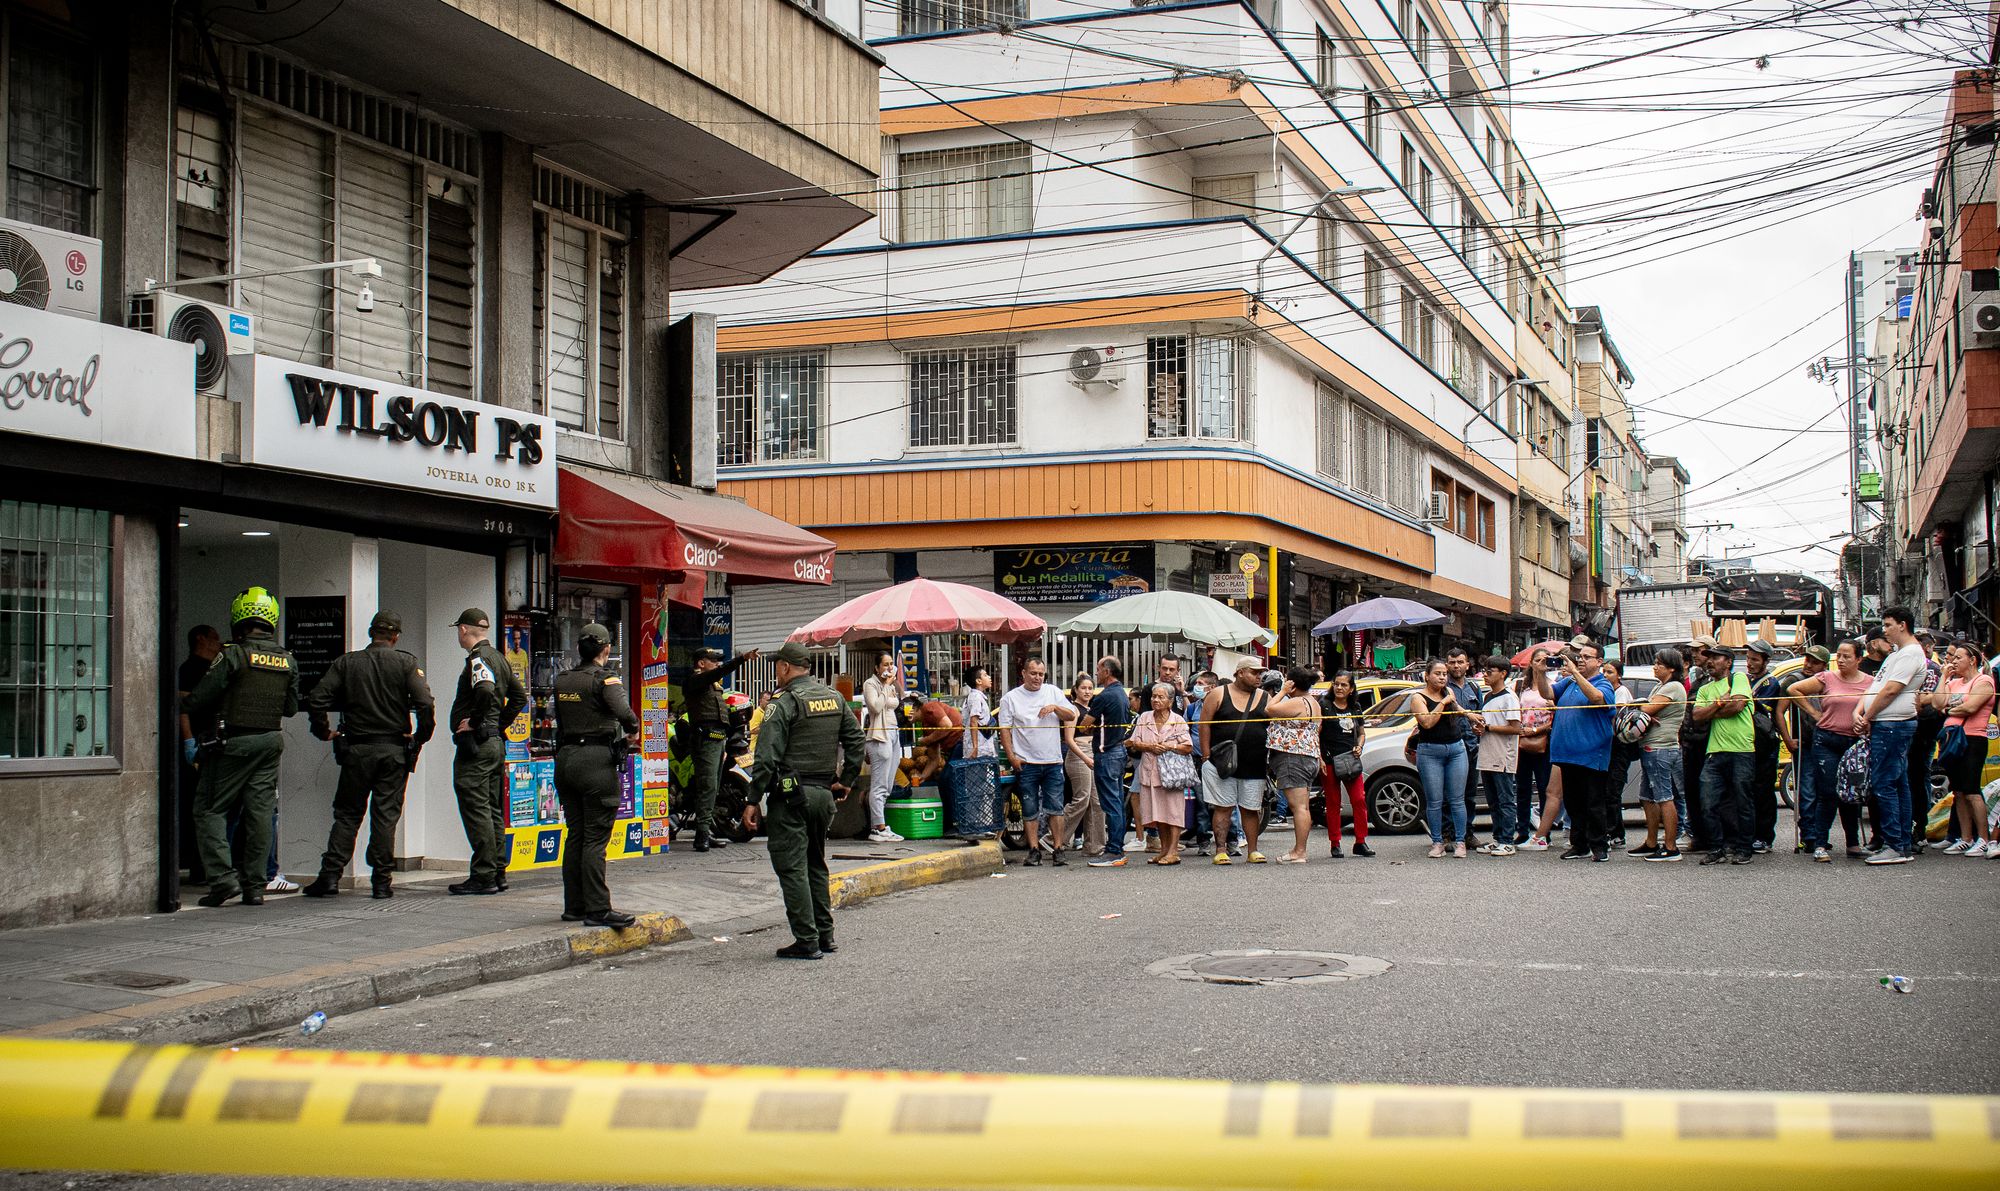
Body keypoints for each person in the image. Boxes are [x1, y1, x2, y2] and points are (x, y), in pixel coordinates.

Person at [300, 611, 436, 899]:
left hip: (357, 750)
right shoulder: (406, 663)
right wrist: (420, 737)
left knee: (348, 814)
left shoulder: (347, 663)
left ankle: (330, 876)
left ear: (371, 632)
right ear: (396, 636)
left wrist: (323, 732)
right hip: (394, 750)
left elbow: (317, 699)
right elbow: (425, 703)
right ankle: (381, 881)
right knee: (385, 816)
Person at [743, 642, 866, 959]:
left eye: (777, 667)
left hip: (790, 797)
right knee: (815, 863)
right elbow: (856, 740)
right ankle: (826, 936)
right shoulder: (834, 697)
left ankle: (807, 940)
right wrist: (847, 780)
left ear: (785, 667)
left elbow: (766, 756)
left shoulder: (784, 702)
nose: (776, 672)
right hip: (824, 794)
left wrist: (753, 799)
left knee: (791, 866)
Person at [182, 587, 300, 908]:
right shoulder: (286, 658)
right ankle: (255, 887)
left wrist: (182, 701)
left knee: (208, 809)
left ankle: (222, 881)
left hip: (232, 742)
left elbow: (201, 697)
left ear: (239, 616)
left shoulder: (233, 654)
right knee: (261, 813)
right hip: (269, 742)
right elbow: (290, 707)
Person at [551, 623, 642, 928]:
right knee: (594, 839)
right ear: (606, 650)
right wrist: (632, 732)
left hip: (565, 761)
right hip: (595, 763)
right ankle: (598, 909)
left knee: (575, 834)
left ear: (579, 649)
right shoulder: (605, 679)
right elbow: (626, 715)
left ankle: (574, 906)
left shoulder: (563, 679)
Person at [445, 608, 528, 896]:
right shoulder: (500, 659)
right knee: (492, 809)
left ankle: (483, 875)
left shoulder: (479, 659)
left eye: (458, 629)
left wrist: (477, 722)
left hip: (478, 747)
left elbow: (484, 689)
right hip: (493, 744)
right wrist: (498, 725)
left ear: (463, 630)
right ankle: (497, 871)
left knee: (476, 807)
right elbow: (519, 697)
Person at [1532, 639, 1617, 862]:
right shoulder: (1569, 682)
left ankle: (1599, 846)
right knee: (1573, 803)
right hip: (1567, 754)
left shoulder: (1603, 683)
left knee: (1594, 803)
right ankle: (1579, 845)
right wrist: (1539, 673)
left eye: (1586, 657)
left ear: (1599, 661)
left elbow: (1598, 699)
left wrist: (1576, 674)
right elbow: (1547, 693)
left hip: (1591, 754)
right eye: (1580, 657)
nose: (1581, 660)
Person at [1787, 640, 1872, 861]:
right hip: (1826, 740)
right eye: (1839, 656)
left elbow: (1878, 706)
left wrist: (1866, 722)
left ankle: (1853, 843)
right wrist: (1815, 714)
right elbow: (1793, 689)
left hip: (1854, 743)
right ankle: (1820, 844)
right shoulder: (1827, 678)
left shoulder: (1871, 683)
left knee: (1850, 794)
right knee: (1828, 793)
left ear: (1859, 659)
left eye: (1847, 656)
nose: (1842, 660)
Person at [1854, 607, 1926, 865]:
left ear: (1902, 625)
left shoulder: (1910, 654)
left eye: (1887, 625)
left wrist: (1868, 716)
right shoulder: (1898, 654)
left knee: (1885, 784)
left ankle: (1895, 844)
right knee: (1897, 784)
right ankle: (1901, 843)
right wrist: (1859, 710)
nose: (1884, 630)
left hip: (1893, 724)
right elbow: (1877, 686)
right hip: (1887, 723)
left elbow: (1891, 690)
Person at [997, 658, 1077, 866]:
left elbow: (1071, 714)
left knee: (1055, 807)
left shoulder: (1053, 692)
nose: (1037, 678)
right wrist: (1012, 756)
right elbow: (1005, 729)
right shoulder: (1010, 698)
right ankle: (1033, 850)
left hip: (1052, 761)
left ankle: (1058, 848)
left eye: (1041, 674)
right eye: (1033, 673)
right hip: (1027, 763)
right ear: (1023, 674)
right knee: (1029, 808)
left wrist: (1054, 708)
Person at [684, 646, 759, 851]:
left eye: (718, 661)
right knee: (707, 786)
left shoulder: (712, 685)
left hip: (717, 740)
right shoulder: (696, 681)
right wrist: (741, 659)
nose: (716, 663)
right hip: (705, 739)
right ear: (701, 663)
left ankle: (707, 830)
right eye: (713, 660)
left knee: (715, 786)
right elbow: (718, 672)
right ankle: (701, 835)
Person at [1198, 657, 1270, 865]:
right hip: (1221, 762)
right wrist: (1205, 756)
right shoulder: (1219, 694)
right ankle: (1220, 850)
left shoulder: (1265, 696)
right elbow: (1204, 724)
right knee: (1223, 807)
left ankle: (1253, 850)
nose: (1259, 677)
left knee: (1250, 808)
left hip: (1255, 762)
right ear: (1239, 672)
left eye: (1260, 673)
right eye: (1254, 672)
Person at [1691, 645, 1756, 865]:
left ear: (1728, 661)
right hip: (1714, 751)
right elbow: (1697, 716)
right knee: (1708, 801)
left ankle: (1744, 847)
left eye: (1716, 658)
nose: (1710, 662)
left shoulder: (1738, 679)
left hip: (1742, 749)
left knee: (1743, 800)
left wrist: (1713, 710)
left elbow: (1737, 705)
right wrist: (1719, 703)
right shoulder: (1704, 689)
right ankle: (1716, 848)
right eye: (1708, 658)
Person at [1933, 640, 1995, 856]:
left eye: (1959, 657)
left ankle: (1983, 838)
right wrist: (1944, 677)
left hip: (1973, 739)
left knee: (1971, 790)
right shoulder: (1953, 683)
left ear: (1973, 660)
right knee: (1958, 791)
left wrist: (1949, 710)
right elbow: (1937, 703)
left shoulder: (1983, 680)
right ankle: (1965, 838)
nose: (1954, 661)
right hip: (1951, 739)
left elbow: (1971, 707)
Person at [175, 624, 224, 881]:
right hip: (198, 744)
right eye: (214, 637)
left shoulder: (214, 668)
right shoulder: (190, 669)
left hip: (211, 742)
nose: (219, 642)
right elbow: (183, 709)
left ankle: (204, 866)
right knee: (200, 806)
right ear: (200, 638)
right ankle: (199, 866)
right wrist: (188, 741)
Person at [1631, 648, 1687, 861]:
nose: (1655, 667)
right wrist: (1642, 709)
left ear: (1672, 668)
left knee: (1664, 797)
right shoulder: (1660, 686)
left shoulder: (1673, 687)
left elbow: (1646, 710)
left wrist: (1643, 710)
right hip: (1651, 747)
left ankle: (1671, 847)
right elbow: (1644, 709)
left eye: (1659, 664)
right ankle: (1651, 842)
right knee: (1647, 797)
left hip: (1661, 748)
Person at [1128, 681, 1194, 865]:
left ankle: (1173, 851)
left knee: (1173, 814)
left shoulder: (1177, 720)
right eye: (1154, 696)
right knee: (1159, 815)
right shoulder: (1144, 717)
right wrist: (1149, 746)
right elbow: (1135, 742)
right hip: (1150, 773)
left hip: (1171, 774)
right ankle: (1164, 850)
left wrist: (1168, 746)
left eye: (1160, 697)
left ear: (1170, 701)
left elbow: (1188, 746)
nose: (1156, 700)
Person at [1409, 659, 1468, 858]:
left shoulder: (1448, 693)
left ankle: (1460, 842)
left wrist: (1473, 717)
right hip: (1430, 752)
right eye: (1438, 673)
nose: (1443, 677)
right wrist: (1443, 702)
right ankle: (1437, 842)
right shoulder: (1418, 697)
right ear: (1427, 676)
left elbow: (1459, 710)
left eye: (1444, 674)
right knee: (1435, 801)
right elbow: (1427, 722)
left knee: (1457, 800)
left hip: (1456, 749)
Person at [1264, 666, 1322, 864]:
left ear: (1292, 684)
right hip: (1308, 756)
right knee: (1302, 806)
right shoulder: (1314, 703)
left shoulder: (1297, 702)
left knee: (1299, 807)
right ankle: (1299, 850)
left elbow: (1269, 709)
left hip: (1294, 757)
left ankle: (1299, 851)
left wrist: (1282, 692)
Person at [1086, 657, 1135, 868]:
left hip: (1106, 754)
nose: (1096, 673)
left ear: (1106, 671)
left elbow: (1084, 725)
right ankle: (1117, 848)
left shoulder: (1105, 696)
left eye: (1098, 669)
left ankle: (1114, 850)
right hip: (1118, 752)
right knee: (1117, 802)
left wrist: (1090, 725)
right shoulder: (1122, 694)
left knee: (1111, 803)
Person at [1777, 646, 1827, 851]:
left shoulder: (1829, 680)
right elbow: (1780, 711)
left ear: (1823, 665)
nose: (1808, 664)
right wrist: (1787, 739)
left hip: (1826, 741)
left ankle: (1820, 832)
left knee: (1825, 790)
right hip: (1805, 741)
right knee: (1807, 789)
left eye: (1814, 662)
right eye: (1807, 659)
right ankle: (1809, 835)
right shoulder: (1793, 680)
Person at [1471, 655, 1522, 857]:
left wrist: (1489, 727)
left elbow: (1515, 728)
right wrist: (1481, 729)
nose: (1485, 675)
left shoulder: (1509, 697)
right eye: (1485, 671)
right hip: (1487, 754)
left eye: (1489, 671)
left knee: (1505, 800)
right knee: (1493, 800)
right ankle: (1498, 838)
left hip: (1502, 756)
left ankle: (1508, 840)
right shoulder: (1488, 696)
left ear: (1502, 674)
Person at [1318, 671, 1372, 858]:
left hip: (1351, 760)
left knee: (1359, 800)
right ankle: (1335, 843)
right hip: (1330, 760)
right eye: (1336, 684)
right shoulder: (1323, 706)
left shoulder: (1355, 707)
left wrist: (1359, 746)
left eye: (1344, 685)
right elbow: (1315, 733)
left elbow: (1362, 732)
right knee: (1333, 803)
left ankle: (1360, 841)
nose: (1339, 688)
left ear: (1351, 689)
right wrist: (1320, 758)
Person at [1906, 629, 1947, 852]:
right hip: (1917, 730)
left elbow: (1927, 704)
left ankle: (1918, 829)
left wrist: (1919, 703)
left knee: (1917, 780)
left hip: (1922, 733)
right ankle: (1916, 828)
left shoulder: (1931, 669)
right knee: (1915, 780)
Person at [860, 652, 906, 843]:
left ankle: (881, 825)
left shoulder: (889, 684)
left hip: (893, 733)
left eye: (890, 664)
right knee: (878, 784)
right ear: (877, 668)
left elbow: (900, 698)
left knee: (887, 784)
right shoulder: (870, 685)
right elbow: (876, 707)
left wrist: (894, 682)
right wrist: (886, 686)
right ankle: (877, 828)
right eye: (884, 665)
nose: (888, 668)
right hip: (879, 736)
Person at [1679, 636, 1719, 853]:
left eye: (1700, 651)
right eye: (1693, 651)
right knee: (1692, 791)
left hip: (1706, 742)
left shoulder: (1714, 681)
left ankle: (1712, 839)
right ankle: (1700, 837)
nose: (1695, 655)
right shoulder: (1697, 679)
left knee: (1708, 792)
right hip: (1691, 741)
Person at [1744, 640, 1784, 853]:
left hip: (1765, 743)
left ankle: (1765, 836)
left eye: (1755, 660)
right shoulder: (1745, 680)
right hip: (1747, 741)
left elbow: (1762, 709)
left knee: (1764, 791)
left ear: (1766, 661)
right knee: (1747, 790)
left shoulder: (1770, 683)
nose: (1750, 663)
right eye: (1748, 659)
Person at [1061, 675, 1107, 857]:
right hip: (1078, 754)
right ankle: (1054, 838)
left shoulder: (1093, 709)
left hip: (1093, 752)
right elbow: (1069, 739)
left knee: (1097, 802)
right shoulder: (1072, 709)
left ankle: (1095, 846)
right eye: (1083, 688)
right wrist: (1085, 759)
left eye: (1090, 688)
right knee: (1082, 798)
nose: (1087, 691)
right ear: (1076, 690)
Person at [1444, 647, 1483, 849]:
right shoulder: (1442, 687)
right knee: (1447, 794)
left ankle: (1467, 833)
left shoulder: (1474, 688)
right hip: (1448, 747)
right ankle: (1448, 834)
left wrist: (1479, 728)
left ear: (1468, 665)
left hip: (1471, 748)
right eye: (1452, 662)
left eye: (1460, 662)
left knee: (1468, 794)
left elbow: (1480, 715)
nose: (1456, 666)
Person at [1514, 666, 1553, 849]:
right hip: (1521, 742)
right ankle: (1522, 831)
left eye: (1544, 660)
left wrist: (1536, 730)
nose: (1541, 664)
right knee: (1522, 789)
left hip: (1544, 742)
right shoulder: (1520, 685)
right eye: (1538, 660)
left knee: (1545, 788)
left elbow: (1556, 715)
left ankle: (1545, 833)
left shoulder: (1553, 686)